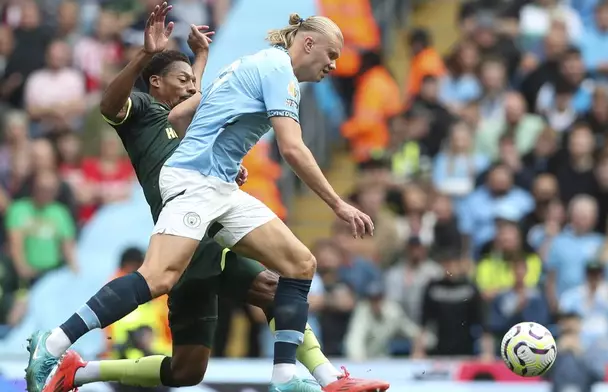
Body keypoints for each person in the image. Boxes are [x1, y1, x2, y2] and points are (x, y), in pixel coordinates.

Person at [26, 4, 386, 392]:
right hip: (193, 189)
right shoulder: (266, 75)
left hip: (215, 191)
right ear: (309, 42)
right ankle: (54, 343)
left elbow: (183, 117)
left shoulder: (250, 67)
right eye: (332, 54)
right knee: (159, 277)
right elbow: (293, 149)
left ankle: (294, 377)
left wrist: (223, 154)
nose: (334, 64)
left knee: (298, 265)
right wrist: (338, 204)